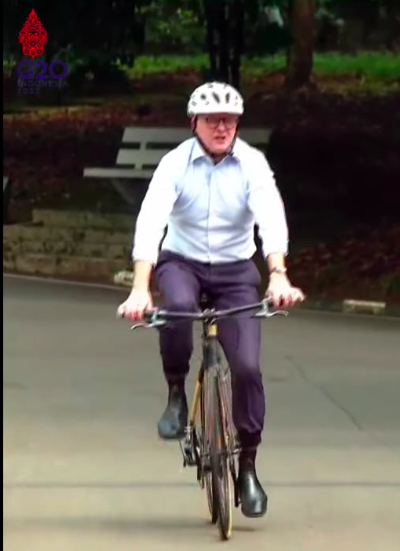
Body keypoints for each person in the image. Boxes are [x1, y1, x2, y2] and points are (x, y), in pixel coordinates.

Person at [117, 81, 305, 519]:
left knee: (247, 368)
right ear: (194, 123)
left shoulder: (252, 165)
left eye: (230, 120)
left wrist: (278, 275)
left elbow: (270, 217)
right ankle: (176, 393)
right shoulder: (174, 164)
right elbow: (151, 223)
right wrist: (141, 287)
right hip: (181, 262)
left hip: (236, 271)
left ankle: (249, 468)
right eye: (212, 120)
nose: (222, 127)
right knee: (178, 310)